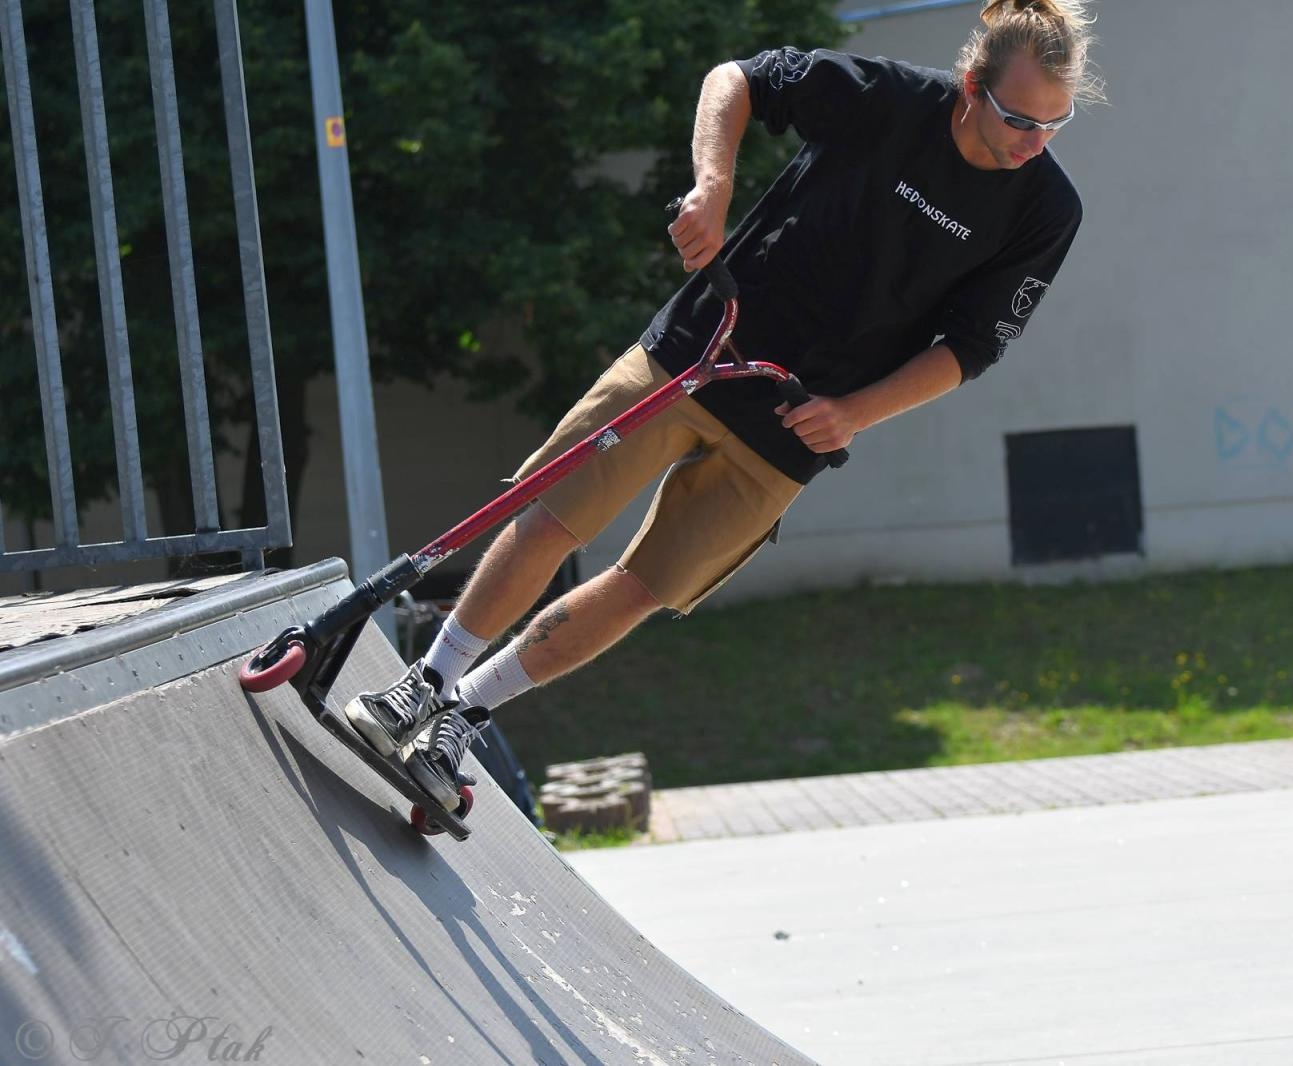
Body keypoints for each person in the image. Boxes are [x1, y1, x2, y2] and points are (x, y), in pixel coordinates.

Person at [344, 0, 1100, 810]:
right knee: (557, 514)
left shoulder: (1047, 210)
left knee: (648, 584)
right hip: (702, 350)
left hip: (794, 422)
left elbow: (972, 345)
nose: (1034, 141)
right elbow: (737, 79)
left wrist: (856, 413)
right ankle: (423, 685)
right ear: (970, 85)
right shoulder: (887, 99)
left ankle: (464, 712)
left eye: (1054, 126)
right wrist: (713, 185)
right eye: (1020, 117)